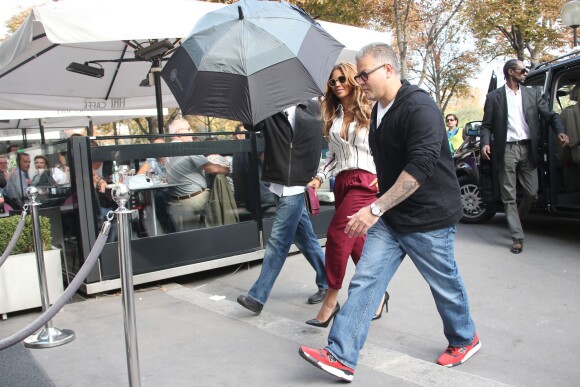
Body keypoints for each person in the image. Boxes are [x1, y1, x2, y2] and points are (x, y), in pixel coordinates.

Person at [299, 43, 480, 383]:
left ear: (389, 70)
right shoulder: (377, 109)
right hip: (392, 217)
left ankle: (464, 337)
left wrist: (374, 207)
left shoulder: (420, 107)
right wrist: (379, 204)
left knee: (444, 284)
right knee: (366, 281)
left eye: (364, 74)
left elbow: (420, 167)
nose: (359, 80)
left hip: (429, 219)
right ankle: (340, 355)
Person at [305, 62, 385, 328]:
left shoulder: (373, 111)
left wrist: (383, 179)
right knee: (357, 242)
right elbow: (333, 156)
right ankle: (378, 293)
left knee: (338, 235)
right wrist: (319, 177)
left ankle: (331, 297)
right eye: (332, 81)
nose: (337, 84)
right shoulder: (335, 116)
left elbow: (386, 150)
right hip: (342, 182)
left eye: (341, 79)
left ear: (352, 80)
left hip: (366, 182)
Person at [236, 101, 329, 314]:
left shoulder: (312, 109)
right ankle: (327, 282)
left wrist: (311, 176)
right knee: (306, 239)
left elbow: (314, 145)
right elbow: (250, 125)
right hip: (277, 184)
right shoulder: (270, 108)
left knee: (278, 242)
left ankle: (257, 297)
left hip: (296, 185)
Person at [480, 59, 569, 254]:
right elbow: (486, 125)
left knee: (532, 193)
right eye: (523, 70)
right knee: (509, 196)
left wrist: (560, 131)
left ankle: (516, 220)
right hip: (506, 151)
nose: (526, 73)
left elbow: (551, 115)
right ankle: (517, 237)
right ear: (511, 72)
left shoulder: (532, 94)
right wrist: (485, 142)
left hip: (528, 149)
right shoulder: (494, 97)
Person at [136, 137, 177, 234]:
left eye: (162, 146)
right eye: (157, 146)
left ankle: (170, 231)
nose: (160, 149)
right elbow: (138, 176)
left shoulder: (172, 158)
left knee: (159, 199)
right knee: (158, 198)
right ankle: (170, 232)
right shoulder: (152, 161)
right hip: (160, 192)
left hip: (175, 190)